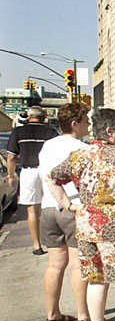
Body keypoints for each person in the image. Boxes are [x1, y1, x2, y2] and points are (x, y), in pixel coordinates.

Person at [50, 109, 115, 321]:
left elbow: (52, 178)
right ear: (110, 131)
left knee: (96, 278)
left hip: (88, 223)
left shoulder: (80, 155)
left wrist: (69, 205)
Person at [38, 103, 90, 321]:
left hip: (48, 208)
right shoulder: (81, 148)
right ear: (74, 123)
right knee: (78, 264)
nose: (88, 124)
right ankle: (83, 315)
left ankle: (52, 314)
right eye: (86, 120)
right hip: (73, 206)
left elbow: (46, 176)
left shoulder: (47, 146)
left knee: (55, 264)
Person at [5, 106, 58, 255]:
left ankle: (37, 245)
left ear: (28, 117)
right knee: (50, 207)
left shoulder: (18, 132)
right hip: (47, 171)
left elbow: (11, 157)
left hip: (28, 172)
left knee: (32, 210)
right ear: (44, 117)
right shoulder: (51, 132)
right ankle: (53, 241)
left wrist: (10, 176)